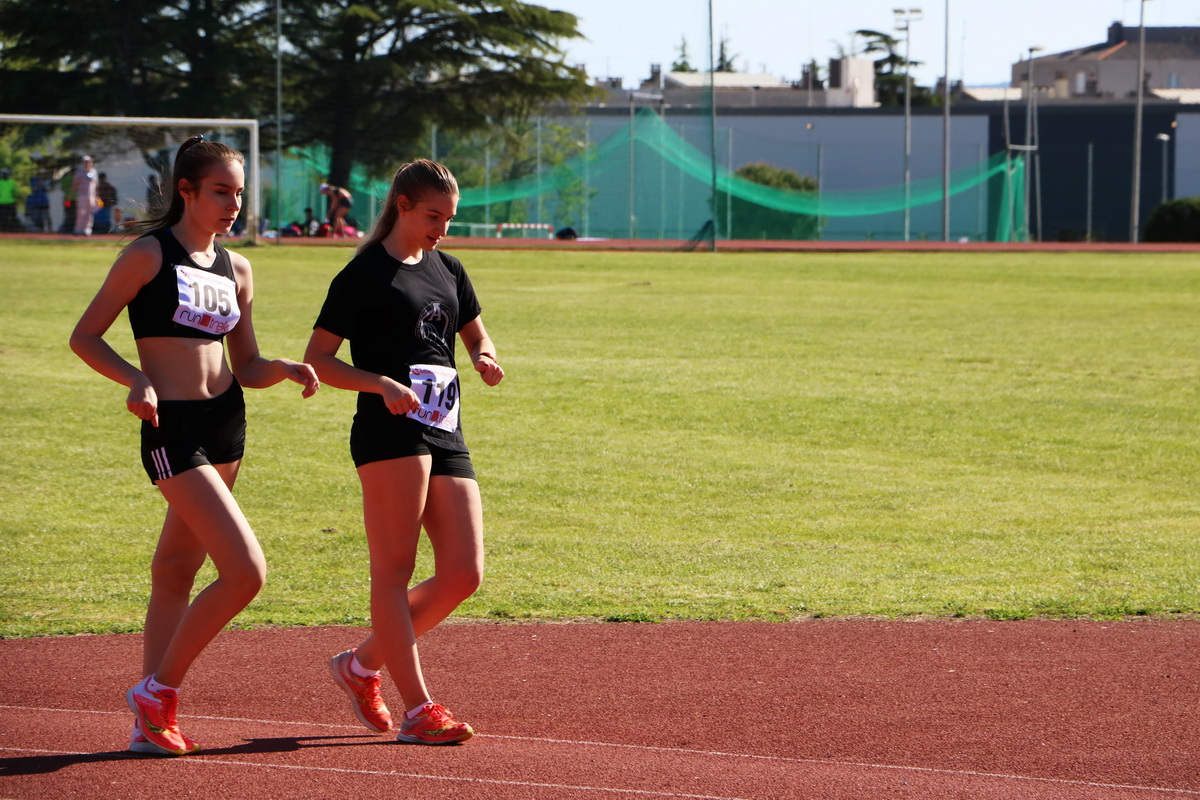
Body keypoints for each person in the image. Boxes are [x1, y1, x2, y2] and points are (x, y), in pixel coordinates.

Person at [69, 135, 320, 756]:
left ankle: (149, 725)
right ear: (186, 190)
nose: (234, 204)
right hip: (172, 429)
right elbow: (85, 336)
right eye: (220, 192)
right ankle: (158, 690)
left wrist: (283, 368)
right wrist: (136, 379)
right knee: (245, 572)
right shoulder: (147, 255)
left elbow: (247, 363)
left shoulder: (239, 268)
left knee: (177, 569)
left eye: (239, 193)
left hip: (226, 424)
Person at [304, 159, 504, 746]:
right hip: (390, 430)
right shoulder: (364, 273)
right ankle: (418, 709)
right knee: (394, 570)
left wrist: (484, 356)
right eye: (433, 216)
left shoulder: (449, 268)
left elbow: (474, 331)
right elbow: (319, 360)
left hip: (445, 428)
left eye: (450, 218)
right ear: (402, 205)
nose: (443, 228)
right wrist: (379, 384)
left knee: (464, 573)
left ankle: (360, 665)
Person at [72, 156, 98, 235]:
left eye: (89, 162)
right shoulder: (80, 172)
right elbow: (75, 184)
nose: (87, 163)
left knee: (89, 213)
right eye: (86, 162)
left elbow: (96, 184)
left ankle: (87, 230)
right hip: (81, 195)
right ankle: (78, 229)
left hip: (91, 196)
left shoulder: (94, 172)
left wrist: (97, 195)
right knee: (81, 213)